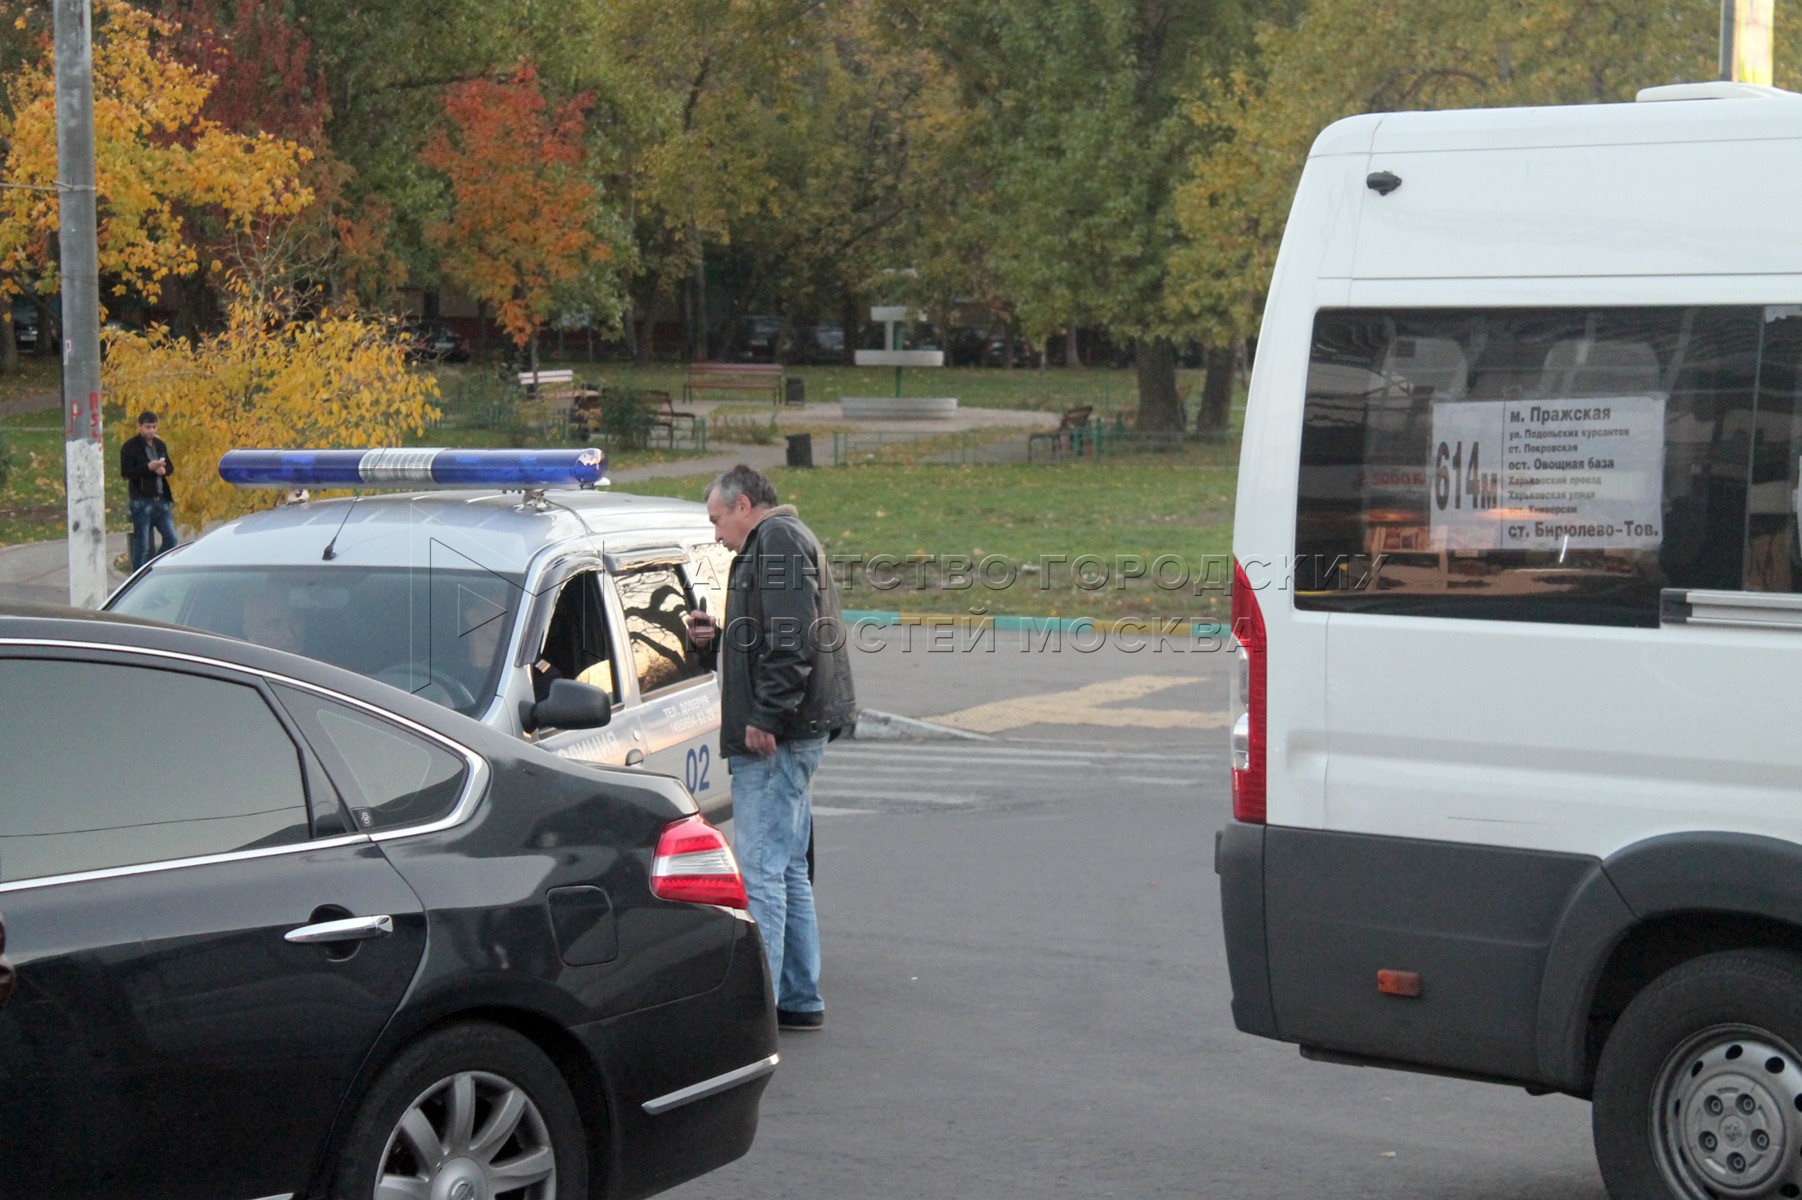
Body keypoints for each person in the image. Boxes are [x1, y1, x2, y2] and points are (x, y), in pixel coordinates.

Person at [686, 464, 855, 1032]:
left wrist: (766, 716)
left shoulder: (777, 540)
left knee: (760, 871)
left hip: (779, 734)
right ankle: (798, 997)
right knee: (784, 870)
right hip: (797, 727)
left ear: (743, 505)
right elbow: (775, 636)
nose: (715, 534)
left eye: (717, 520)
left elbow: (791, 640)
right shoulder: (782, 540)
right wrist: (719, 642)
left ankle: (753, 1014)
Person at [119, 411, 177, 570]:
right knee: (142, 545)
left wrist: (164, 469)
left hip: (161, 499)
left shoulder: (160, 445)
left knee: (172, 539)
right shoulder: (130, 447)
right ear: (139, 427)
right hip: (141, 501)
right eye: (147, 427)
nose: (151, 431)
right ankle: (138, 575)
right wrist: (148, 468)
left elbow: (170, 467)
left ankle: (154, 568)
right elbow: (126, 473)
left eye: (154, 427)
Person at [241, 592, 305, 655]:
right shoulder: (241, 663)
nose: (290, 636)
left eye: (292, 621)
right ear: (250, 633)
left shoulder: (313, 662)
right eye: (275, 626)